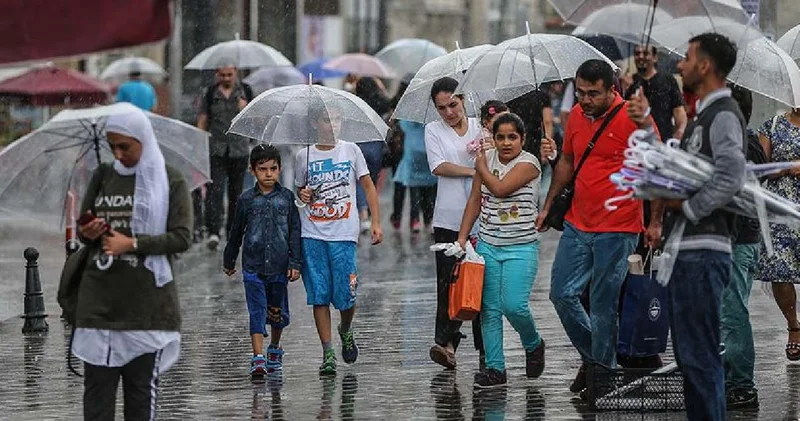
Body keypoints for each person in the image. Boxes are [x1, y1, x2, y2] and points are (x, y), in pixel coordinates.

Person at [537, 59, 661, 393]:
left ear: (612, 90)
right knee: (561, 294)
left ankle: (602, 377)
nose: (585, 100)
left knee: (604, 304)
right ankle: (599, 362)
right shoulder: (577, 115)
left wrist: (655, 221)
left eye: (593, 93)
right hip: (578, 222)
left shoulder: (635, 118)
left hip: (619, 226)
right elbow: (567, 160)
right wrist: (547, 205)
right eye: (580, 92)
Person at [74, 107, 192, 420]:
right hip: (99, 304)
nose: (118, 153)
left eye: (125, 146)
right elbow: (84, 227)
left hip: (147, 306)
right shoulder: (103, 176)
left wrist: (133, 244)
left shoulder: (170, 179)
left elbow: (182, 237)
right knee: (97, 401)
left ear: (143, 139)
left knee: (140, 398)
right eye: (112, 146)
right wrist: (88, 232)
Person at [664, 33, 745, 421]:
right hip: (687, 249)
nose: (680, 65)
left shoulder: (723, 113)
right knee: (690, 357)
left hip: (705, 250)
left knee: (700, 356)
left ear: (705, 65)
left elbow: (731, 175)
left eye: (687, 57)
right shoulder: (701, 116)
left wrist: (688, 207)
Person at [456, 113, 545, 388]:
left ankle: (533, 343)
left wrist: (480, 166)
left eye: (512, 137)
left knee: (514, 306)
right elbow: (475, 200)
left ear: (523, 139)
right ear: (493, 138)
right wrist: (462, 239)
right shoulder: (486, 161)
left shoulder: (529, 163)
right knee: (489, 310)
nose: (506, 143)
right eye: (500, 137)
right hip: (488, 245)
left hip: (521, 247)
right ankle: (495, 368)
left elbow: (500, 188)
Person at [295, 105, 384, 376]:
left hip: (344, 234)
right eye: (326, 119)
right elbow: (299, 191)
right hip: (312, 234)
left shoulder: (351, 150)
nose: (332, 124)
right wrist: (303, 194)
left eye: (336, 118)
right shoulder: (303, 156)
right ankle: (328, 353)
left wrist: (376, 222)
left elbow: (368, 185)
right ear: (314, 123)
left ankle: (345, 328)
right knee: (319, 295)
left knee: (347, 294)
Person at [223, 144, 302, 378]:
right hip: (253, 266)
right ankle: (257, 356)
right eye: (262, 169)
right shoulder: (246, 200)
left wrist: (295, 263)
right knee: (256, 310)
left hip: (279, 266)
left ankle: (274, 348)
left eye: (273, 169)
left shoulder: (287, 198)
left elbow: (294, 232)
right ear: (252, 170)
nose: (268, 174)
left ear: (280, 169)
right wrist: (229, 259)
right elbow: (236, 231)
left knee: (277, 311)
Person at [425, 76, 484, 370]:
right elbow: (438, 166)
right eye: (442, 108)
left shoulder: (481, 126)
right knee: (449, 282)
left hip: (484, 218)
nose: (449, 112)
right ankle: (446, 343)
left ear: (463, 100)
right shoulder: (432, 130)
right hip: (449, 217)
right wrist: (474, 171)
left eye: (453, 105)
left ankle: (486, 349)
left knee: (482, 285)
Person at [722, 84, 765, 409]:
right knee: (727, 312)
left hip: (737, 242)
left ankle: (741, 385)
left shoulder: (743, 145)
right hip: (737, 240)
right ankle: (729, 380)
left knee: (733, 313)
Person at [757, 102, 800, 363]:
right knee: (779, 271)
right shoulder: (772, 126)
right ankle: (794, 325)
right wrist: (787, 167)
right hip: (780, 210)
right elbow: (762, 168)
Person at [196, 65, 254, 250]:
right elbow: (203, 118)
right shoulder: (210, 92)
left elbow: (256, 120)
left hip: (239, 149)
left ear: (236, 72)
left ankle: (232, 231)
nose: (227, 78)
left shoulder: (245, 91)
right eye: (223, 75)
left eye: (230, 74)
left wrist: (246, 109)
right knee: (215, 190)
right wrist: (199, 140)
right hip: (217, 149)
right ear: (217, 74)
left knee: (236, 193)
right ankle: (213, 230)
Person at [624, 45, 688, 141]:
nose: (641, 57)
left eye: (645, 53)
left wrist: (681, 130)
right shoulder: (631, 82)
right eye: (637, 54)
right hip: (636, 139)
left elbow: (678, 109)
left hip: (663, 139)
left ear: (655, 57)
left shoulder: (667, 80)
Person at [354, 76, 390, 234]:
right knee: (371, 181)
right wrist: (381, 88)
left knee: (359, 180)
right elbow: (391, 104)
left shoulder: (355, 103)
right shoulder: (379, 102)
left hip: (359, 144)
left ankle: (363, 214)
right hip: (375, 145)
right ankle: (369, 212)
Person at [394, 117, 438, 233]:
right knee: (429, 193)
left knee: (414, 192)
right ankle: (428, 219)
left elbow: (403, 126)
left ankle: (415, 220)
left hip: (412, 156)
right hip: (428, 156)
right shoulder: (431, 120)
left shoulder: (408, 120)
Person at [506, 88, 553, 159]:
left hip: (515, 137)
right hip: (535, 138)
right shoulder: (541, 95)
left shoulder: (511, 95)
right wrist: (547, 143)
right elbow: (547, 121)